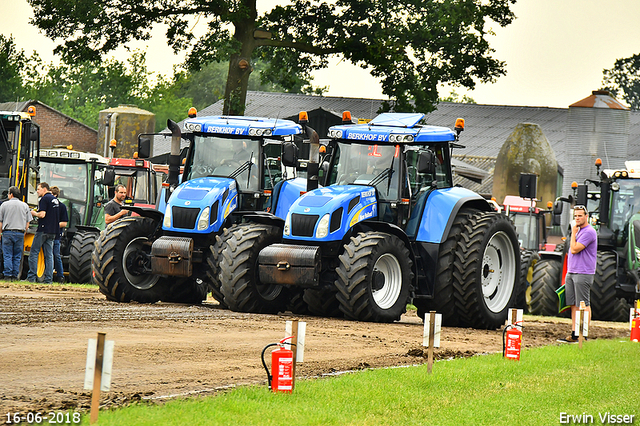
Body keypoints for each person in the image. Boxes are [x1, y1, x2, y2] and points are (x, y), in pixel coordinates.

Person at [558, 205, 597, 343]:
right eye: (575, 216)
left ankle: (583, 334)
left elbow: (574, 249)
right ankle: (575, 333)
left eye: (580, 216)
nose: (577, 218)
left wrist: (573, 233)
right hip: (572, 271)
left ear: (586, 216)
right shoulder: (578, 231)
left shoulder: (589, 232)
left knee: (583, 304)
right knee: (573, 304)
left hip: (583, 272)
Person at [27, 182, 60, 284]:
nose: (37, 191)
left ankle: (31, 277)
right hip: (53, 231)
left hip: (43, 230)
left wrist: (34, 213)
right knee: (49, 255)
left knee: (34, 253)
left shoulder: (44, 199)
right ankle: (48, 279)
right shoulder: (56, 201)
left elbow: (42, 214)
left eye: (38, 189)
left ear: (45, 189)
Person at [0, 187, 32, 280]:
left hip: (7, 233)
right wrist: (24, 232)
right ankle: (15, 275)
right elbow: (27, 222)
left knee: (7, 254)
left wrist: (0, 232)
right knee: (17, 255)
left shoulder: (4, 205)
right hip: (20, 233)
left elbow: (0, 221)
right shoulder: (25, 205)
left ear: (11, 194)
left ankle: (7, 274)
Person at [50, 186, 69, 283]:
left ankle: (60, 275)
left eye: (52, 195)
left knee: (56, 254)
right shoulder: (47, 205)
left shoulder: (61, 207)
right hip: (47, 233)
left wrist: (53, 225)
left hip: (57, 235)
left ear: (56, 195)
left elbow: (64, 223)